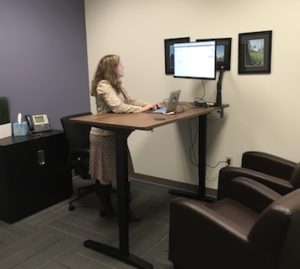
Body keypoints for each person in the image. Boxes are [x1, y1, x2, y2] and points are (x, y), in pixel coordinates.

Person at [89, 54, 159, 221]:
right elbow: (118, 107)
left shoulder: (116, 85)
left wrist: (149, 105)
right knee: (105, 175)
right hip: (103, 136)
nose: (123, 67)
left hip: (116, 135)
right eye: (120, 65)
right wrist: (143, 111)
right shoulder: (103, 85)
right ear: (112, 69)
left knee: (124, 172)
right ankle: (106, 207)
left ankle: (124, 209)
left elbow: (131, 100)